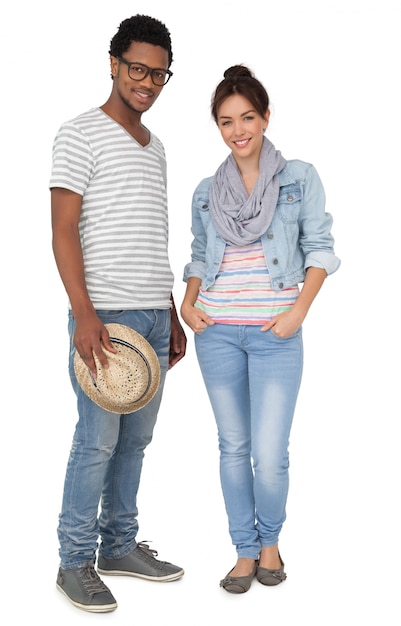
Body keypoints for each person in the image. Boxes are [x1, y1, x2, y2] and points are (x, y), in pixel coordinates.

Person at [181, 65, 340, 594]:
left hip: (276, 334)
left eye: (247, 117)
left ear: (266, 117)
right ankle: (245, 553)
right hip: (218, 332)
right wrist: (189, 301)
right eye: (226, 121)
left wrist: (300, 311)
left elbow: (319, 248)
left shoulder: (298, 178)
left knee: (270, 454)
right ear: (218, 128)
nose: (237, 130)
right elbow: (201, 254)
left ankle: (270, 542)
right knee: (232, 447)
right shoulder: (207, 191)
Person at [50, 14, 187, 613]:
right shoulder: (78, 133)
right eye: (138, 68)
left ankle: (119, 545)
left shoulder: (156, 148)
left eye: (159, 73)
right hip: (103, 318)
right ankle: (74, 560)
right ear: (113, 63)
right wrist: (83, 312)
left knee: (137, 440)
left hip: (153, 317)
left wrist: (172, 315)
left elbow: (153, 236)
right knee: (96, 442)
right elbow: (62, 230)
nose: (148, 82)